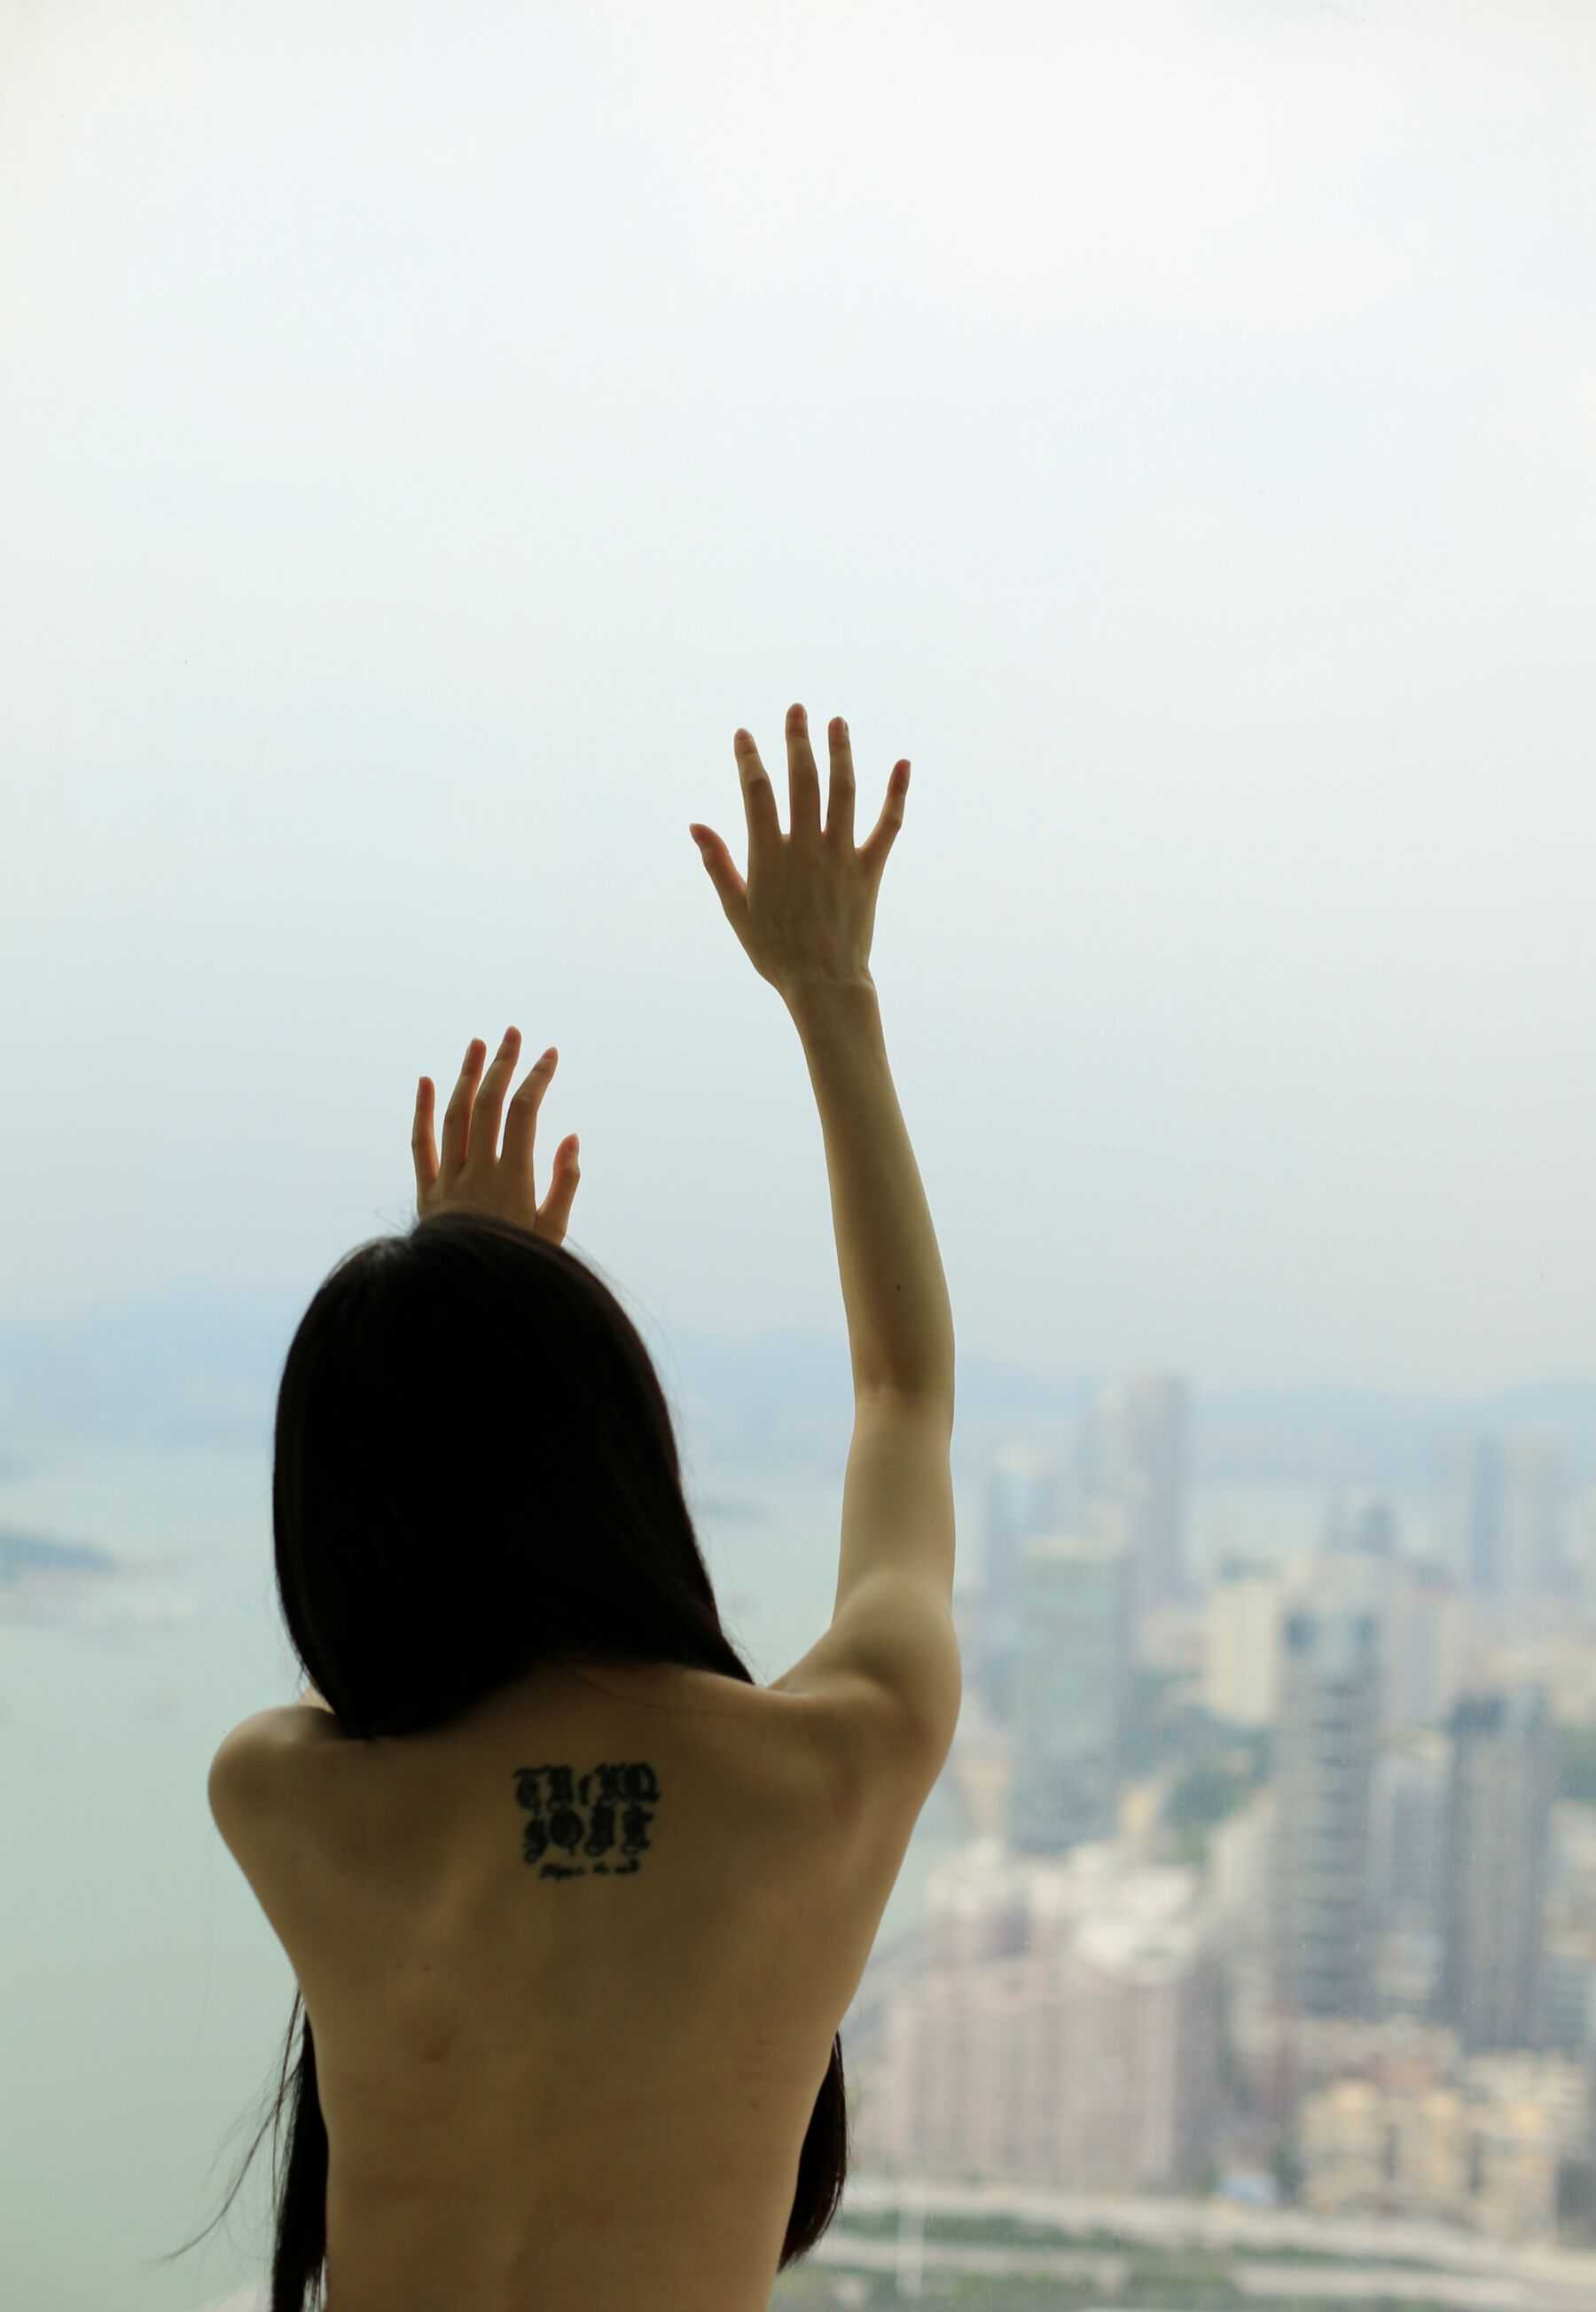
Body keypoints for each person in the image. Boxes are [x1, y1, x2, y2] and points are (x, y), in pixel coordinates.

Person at [165, 702, 958, 2312]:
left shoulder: (286, 1800)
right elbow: (902, 1399)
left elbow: (389, 1660)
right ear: (621, 1448)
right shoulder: (830, 1771)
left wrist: (464, 1323)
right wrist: (832, 997)